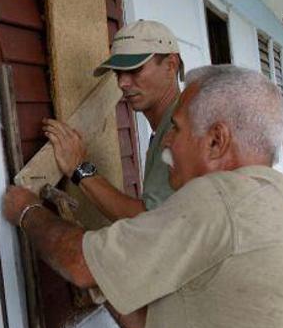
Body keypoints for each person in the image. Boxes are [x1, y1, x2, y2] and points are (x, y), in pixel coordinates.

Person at [4, 65, 283, 328]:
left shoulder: (220, 199)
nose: (166, 141)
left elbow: (78, 263)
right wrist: (107, 278)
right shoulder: (267, 207)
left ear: (216, 141)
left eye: (177, 128)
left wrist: (26, 210)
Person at [41, 19, 183, 220]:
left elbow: (150, 223)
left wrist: (78, 167)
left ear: (171, 65)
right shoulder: (169, 123)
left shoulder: (178, 128)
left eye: (135, 70)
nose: (123, 83)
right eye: (118, 73)